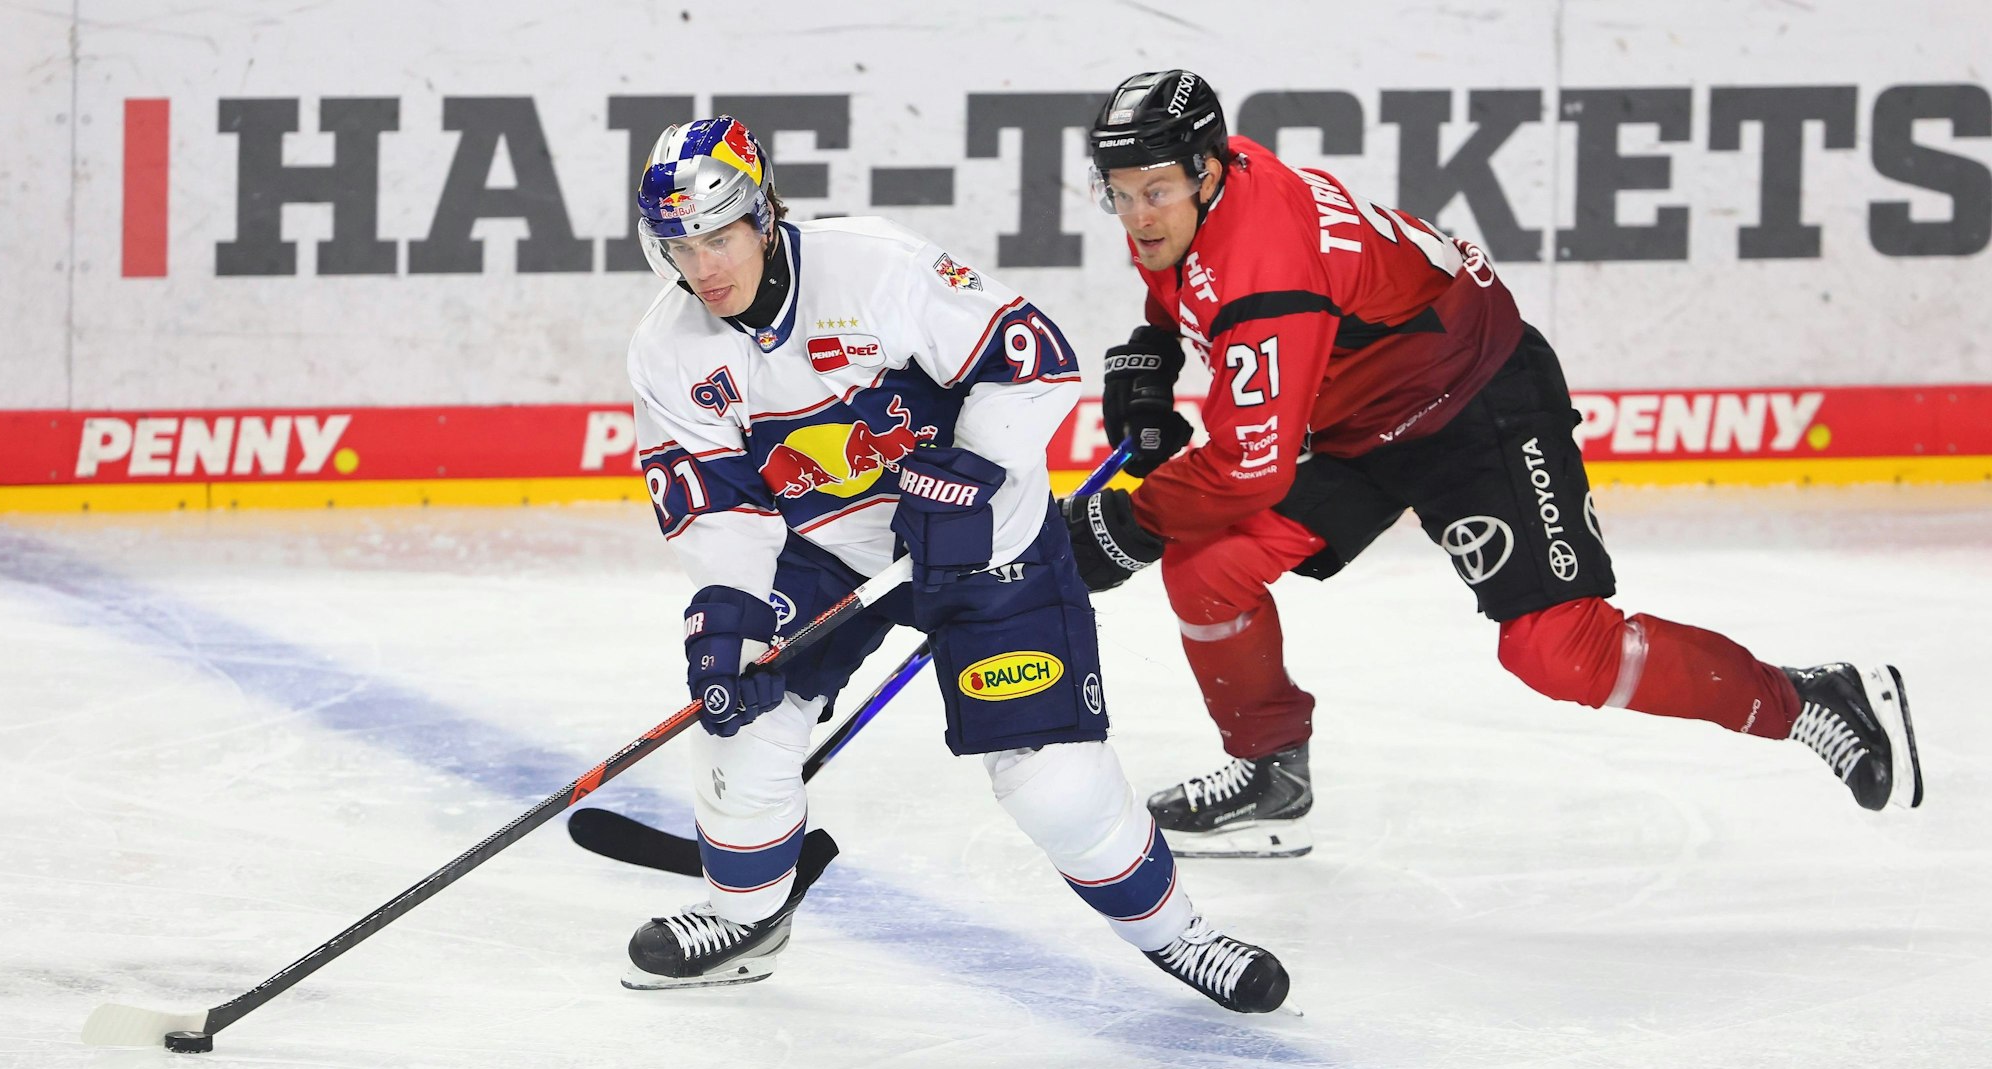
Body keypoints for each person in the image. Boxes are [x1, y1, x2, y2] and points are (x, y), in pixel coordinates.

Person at [1062, 70, 1923, 858]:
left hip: (1474, 398)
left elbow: (1251, 465)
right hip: (1359, 412)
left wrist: (1125, 525)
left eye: (1156, 192)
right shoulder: (1212, 186)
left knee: (1562, 652)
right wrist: (1154, 347)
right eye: (1121, 194)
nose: (1140, 216)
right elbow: (1198, 287)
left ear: (1209, 173)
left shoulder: (1265, 269)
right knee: (1208, 569)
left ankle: (1813, 699)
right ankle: (1271, 773)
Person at [621, 115, 1289, 1012]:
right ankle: (744, 917)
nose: (704, 267)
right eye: (681, 246)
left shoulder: (876, 268)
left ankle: (1181, 935)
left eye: (719, 237)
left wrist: (972, 470)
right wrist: (728, 610)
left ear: (765, 216)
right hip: (829, 553)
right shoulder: (667, 349)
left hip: (990, 544)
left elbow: (1035, 359)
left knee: (1051, 780)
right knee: (743, 718)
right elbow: (719, 505)